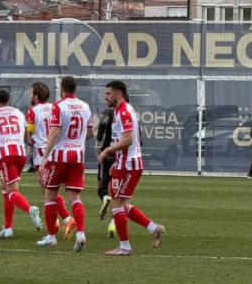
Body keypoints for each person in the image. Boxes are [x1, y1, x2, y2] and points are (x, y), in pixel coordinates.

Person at [99, 80, 166, 256]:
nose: (106, 97)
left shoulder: (123, 112)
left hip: (129, 165)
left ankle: (125, 247)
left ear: (118, 94)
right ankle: (153, 229)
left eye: (108, 93)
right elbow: (125, 140)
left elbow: (128, 139)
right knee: (123, 204)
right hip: (124, 163)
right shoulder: (121, 110)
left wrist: (107, 150)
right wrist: (117, 158)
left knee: (116, 206)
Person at [36, 76, 93, 252]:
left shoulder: (59, 106)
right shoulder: (85, 106)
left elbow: (54, 132)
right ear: (75, 88)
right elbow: (90, 132)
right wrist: (77, 142)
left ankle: (51, 238)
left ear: (62, 88)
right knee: (74, 197)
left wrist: (45, 156)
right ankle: (81, 233)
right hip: (78, 156)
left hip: (59, 157)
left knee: (50, 195)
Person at [0, 89, 42, 239]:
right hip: (21, 153)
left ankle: (30, 209)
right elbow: (27, 138)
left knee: (11, 191)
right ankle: (8, 228)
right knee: (6, 190)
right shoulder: (19, 113)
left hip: (6, 154)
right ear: (9, 100)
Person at [27, 81, 75, 241]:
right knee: (48, 188)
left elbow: (29, 134)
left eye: (31, 93)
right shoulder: (55, 107)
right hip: (56, 150)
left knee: (49, 190)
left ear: (36, 96)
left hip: (42, 154)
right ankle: (55, 222)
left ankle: (67, 219)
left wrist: (28, 137)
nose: (29, 95)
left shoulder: (33, 111)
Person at [94, 103, 116, 226]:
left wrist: (98, 144)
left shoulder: (109, 112)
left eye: (108, 94)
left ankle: (105, 198)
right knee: (120, 195)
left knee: (102, 188)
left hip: (106, 154)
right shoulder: (131, 114)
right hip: (121, 156)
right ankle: (113, 224)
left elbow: (102, 124)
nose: (106, 97)